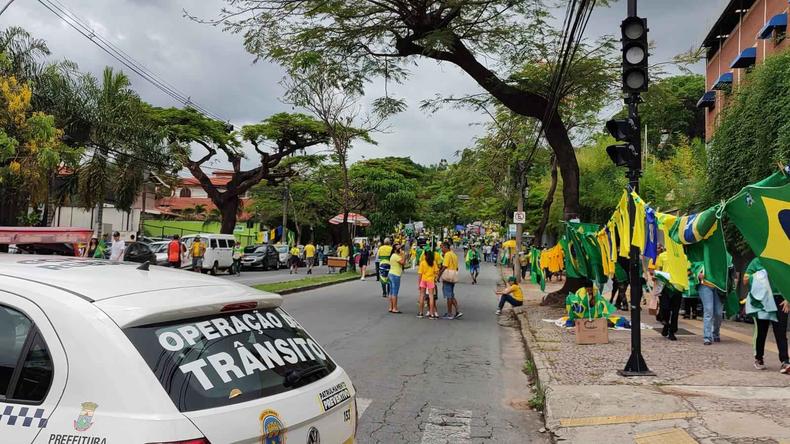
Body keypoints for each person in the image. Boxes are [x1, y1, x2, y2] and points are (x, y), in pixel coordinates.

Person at [744, 258, 789, 373]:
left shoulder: (782, 259)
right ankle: (759, 358)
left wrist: (788, 298)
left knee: (780, 331)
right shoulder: (756, 261)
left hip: (780, 299)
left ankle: (785, 361)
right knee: (761, 331)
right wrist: (759, 275)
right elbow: (745, 279)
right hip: (762, 300)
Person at [697, 267, 721, 346]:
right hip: (705, 285)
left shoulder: (725, 257)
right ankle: (707, 337)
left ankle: (716, 333)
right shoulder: (704, 255)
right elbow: (693, 265)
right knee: (708, 310)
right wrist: (697, 274)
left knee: (718, 313)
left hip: (719, 287)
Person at [438, 242, 462, 319]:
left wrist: (439, 275)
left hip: (448, 276)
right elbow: (457, 267)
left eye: (442, 248)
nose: (441, 249)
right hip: (453, 276)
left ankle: (449, 313)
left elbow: (444, 266)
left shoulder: (447, 255)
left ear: (446, 247)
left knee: (449, 295)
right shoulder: (454, 255)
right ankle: (457, 311)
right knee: (451, 294)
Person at [417, 246, 439, 319]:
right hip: (431, 280)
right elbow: (437, 272)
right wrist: (435, 278)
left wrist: (419, 283)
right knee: (431, 296)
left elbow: (420, 274)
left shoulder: (422, 263)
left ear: (425, 255)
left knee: (422, 296)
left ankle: (420, 312)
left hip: (423, 280)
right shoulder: (433, 263)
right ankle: (431, 314)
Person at [388, 244, 406, 314]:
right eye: (399, 249)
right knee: (395, 292)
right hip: (395, 275)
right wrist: (403, 255)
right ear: (396, 250)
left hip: (391, 273)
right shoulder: (396, 256)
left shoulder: (393, 255)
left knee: (391, 292)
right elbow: (403, 263)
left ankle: (391, 307)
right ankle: (394, 308)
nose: (400, 250)